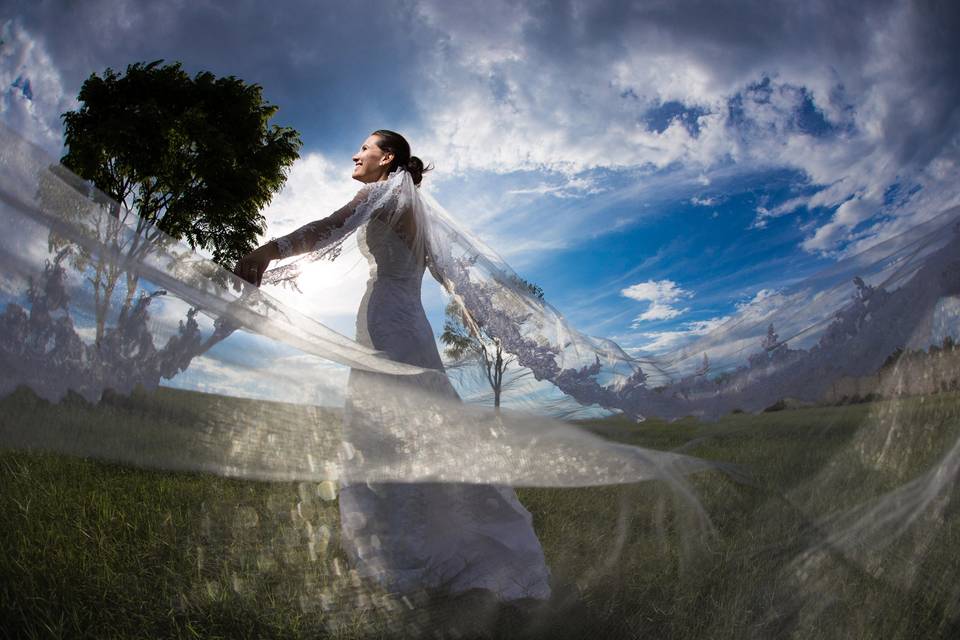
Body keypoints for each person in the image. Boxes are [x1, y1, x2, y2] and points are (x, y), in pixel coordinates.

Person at [234, 130, 553, 601]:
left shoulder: (380, 193)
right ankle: (444, 542)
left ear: (387, 159)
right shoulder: (417, 211)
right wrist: (496, 320)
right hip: (410, 320)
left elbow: (329, 226)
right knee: (421, 424)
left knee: (391, 426)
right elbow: (452, 278)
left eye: (364, 148)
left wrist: (268, 250)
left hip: (387, 317)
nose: (356, 154)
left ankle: (413, 552)